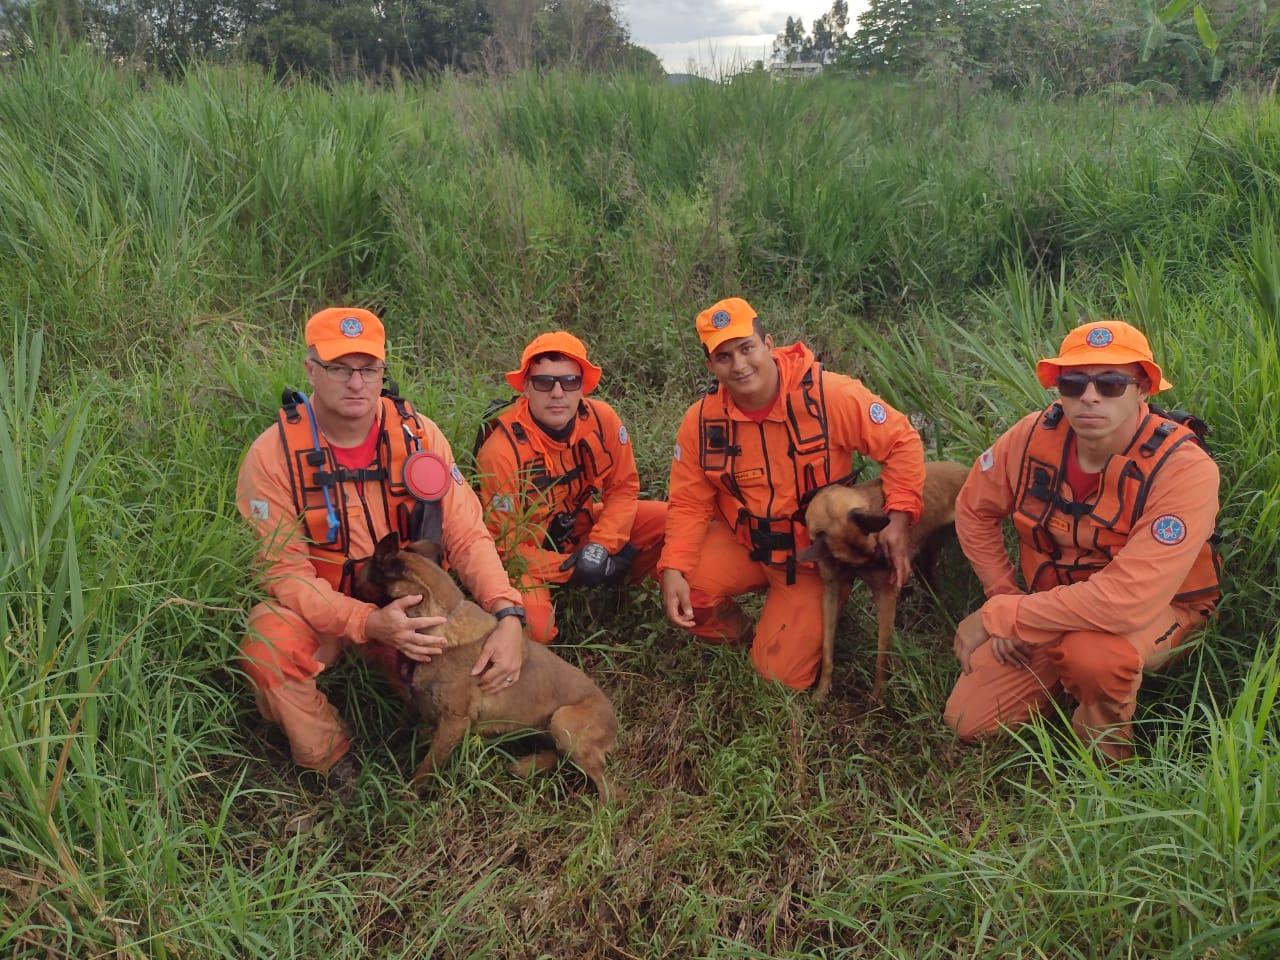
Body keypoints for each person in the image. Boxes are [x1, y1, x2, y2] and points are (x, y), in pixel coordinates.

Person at [236, 307, 527, 793]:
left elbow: (466, 534)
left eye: (369, 369)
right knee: (269, 645)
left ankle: (458, 730)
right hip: (328, 614)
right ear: (311, 370)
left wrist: (508, 612)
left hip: (415, 610)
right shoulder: (272, 456)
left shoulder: (418, 436)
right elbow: (283, 574)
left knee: (505, 649)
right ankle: (331, 760)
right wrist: (367, 622)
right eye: (339, 368)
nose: (357, 383)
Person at [946, 319, 1221, 761]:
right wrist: (1004, 594)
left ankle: (1106, 760)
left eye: (1112, 383)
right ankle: (1064, 676)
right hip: (1050, 602)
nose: (1089, 396)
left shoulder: (1183, 469)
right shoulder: (1032, 436)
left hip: (1155, 611)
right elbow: (973, 508)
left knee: (1094, 656)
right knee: (968, 720)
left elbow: (1127, 601)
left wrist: (1006, 616)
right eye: (1074, 382)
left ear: (1144, 389)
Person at [658, 297, 926, 690]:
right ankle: (746, 634)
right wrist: (674, 567)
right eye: (724, 356)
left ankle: (808, 614)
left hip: (812, 560)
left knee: (778, 678)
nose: (739, 365)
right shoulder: (701, 422)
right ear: (711, 366)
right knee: (685, 588)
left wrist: (899, 517)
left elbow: (902, 442)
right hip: (746, 544)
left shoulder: (829, 395)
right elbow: (688, 502)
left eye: (747, 348)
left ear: (769, 345)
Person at [474, 331, 667, 644]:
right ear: (525, 387)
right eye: (544, 382)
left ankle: (624, 589)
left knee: (668, 520)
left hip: (583, 531)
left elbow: (623, 489)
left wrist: (601, 547)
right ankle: (589, 582)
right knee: (534, 629)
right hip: (529, 558)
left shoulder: (602, 420)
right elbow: (505, 550)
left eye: (569, 381)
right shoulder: (501, 452)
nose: (557, 393)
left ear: (583, 386)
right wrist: (573, 568)